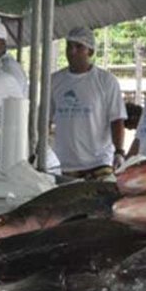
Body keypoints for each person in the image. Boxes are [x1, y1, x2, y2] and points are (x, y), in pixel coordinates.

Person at [50, 27, 126, 179]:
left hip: (99, 162)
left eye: (79, 47)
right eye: (69, 46)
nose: (72, 51)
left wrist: (119, 152)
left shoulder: (105, 81)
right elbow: (45, 118)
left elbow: (117, 119)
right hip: (65, 163)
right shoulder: (55, 80)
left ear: (90, 52)